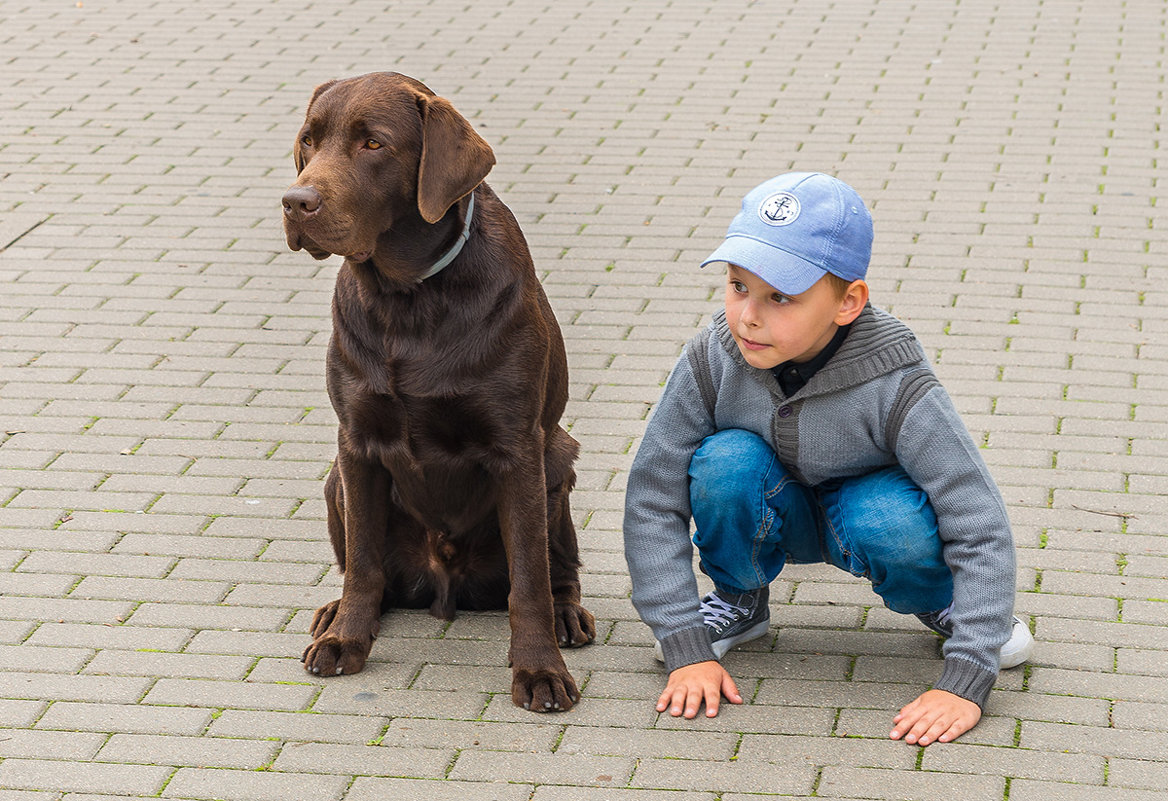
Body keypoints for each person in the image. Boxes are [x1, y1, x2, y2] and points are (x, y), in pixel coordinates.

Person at [622, 172, 1034, 747]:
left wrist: (968, 674)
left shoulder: (896, 378)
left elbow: (977, 517)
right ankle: (740, 601)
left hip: (867, 512)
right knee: (724, 465)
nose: (748, 316)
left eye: (780, 297)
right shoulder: (714, 356)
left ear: (848, 301)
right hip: (770, 503)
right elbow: (651, 497)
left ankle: (949, 608)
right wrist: (682, 641)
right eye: (739, 286)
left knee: (887, 518)